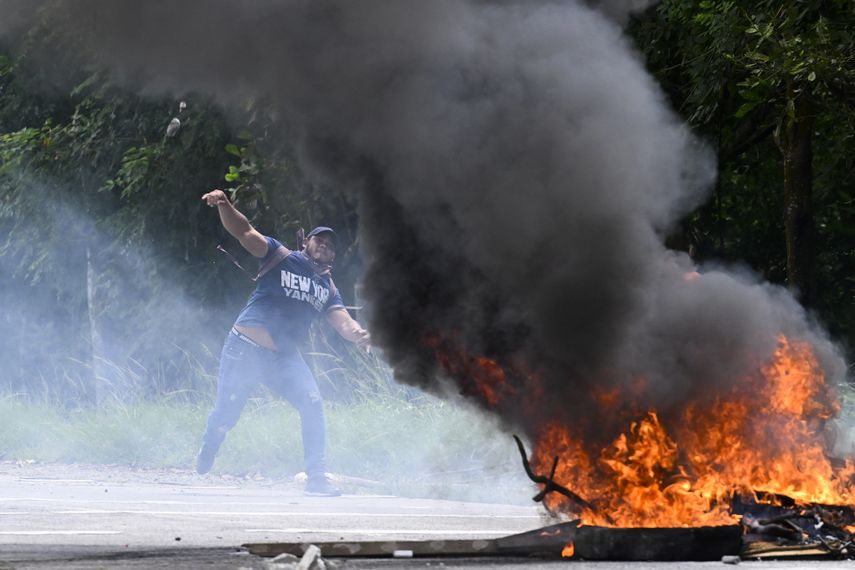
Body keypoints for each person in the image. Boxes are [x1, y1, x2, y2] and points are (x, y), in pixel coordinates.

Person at [196, 189, 370, 497]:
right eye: (319, 240)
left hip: (284, 360)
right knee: (227, 414)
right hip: (244, 350)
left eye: (331, 245)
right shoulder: (281, 256)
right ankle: (212, 441)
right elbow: (244, 230)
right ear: (306, 243)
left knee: (313, 403)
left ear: (334, 255)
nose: (325, 246)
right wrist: (224, 204)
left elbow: (343, 320)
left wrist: (357, 333)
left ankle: (316, 479)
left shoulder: (328, 288)